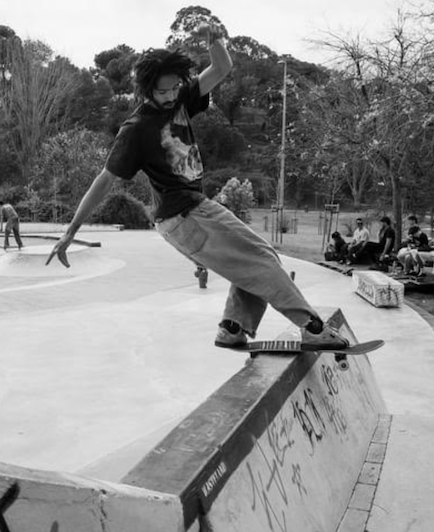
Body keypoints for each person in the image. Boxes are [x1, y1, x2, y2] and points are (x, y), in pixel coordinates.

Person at [46, 21, 348, 351]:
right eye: (162, 91)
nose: (170, 95)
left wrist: (214, 39)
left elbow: (221, 68)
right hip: (184, 215)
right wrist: (71, 230)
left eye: (175, 87)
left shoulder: (181, 98)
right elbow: (105, 179)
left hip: (190, 211)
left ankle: (233, 327)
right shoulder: (136, 129)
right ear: (147, 90)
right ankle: (312, 328)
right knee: (262, 260)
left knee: (254, 261)